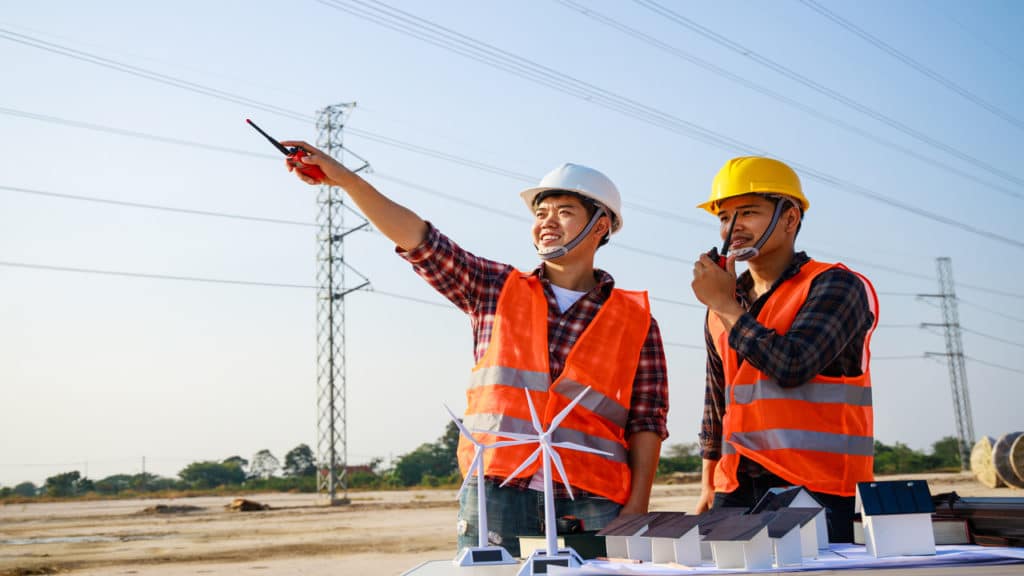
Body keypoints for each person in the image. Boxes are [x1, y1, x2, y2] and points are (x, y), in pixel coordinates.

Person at [280, 142, 669, 557]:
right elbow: (419, 240)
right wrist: (344, 179)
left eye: (564, 211)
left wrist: (637, 506)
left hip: (592, 499)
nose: (547, 222)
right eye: (540, 213)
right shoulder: (494, 289)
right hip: (497, 493)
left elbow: (647, 420)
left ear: (601, 225)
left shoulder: (636, 320)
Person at [689, 156, 878, 543]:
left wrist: (726, 306)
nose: (732, 227)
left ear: (790, 217)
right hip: (736, 485)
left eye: (748, 212)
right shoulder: (722, 301)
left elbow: (794, 364)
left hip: (816, 487)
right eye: (724, 217)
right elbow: (717, 400)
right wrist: (708, 482)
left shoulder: (835, 286)